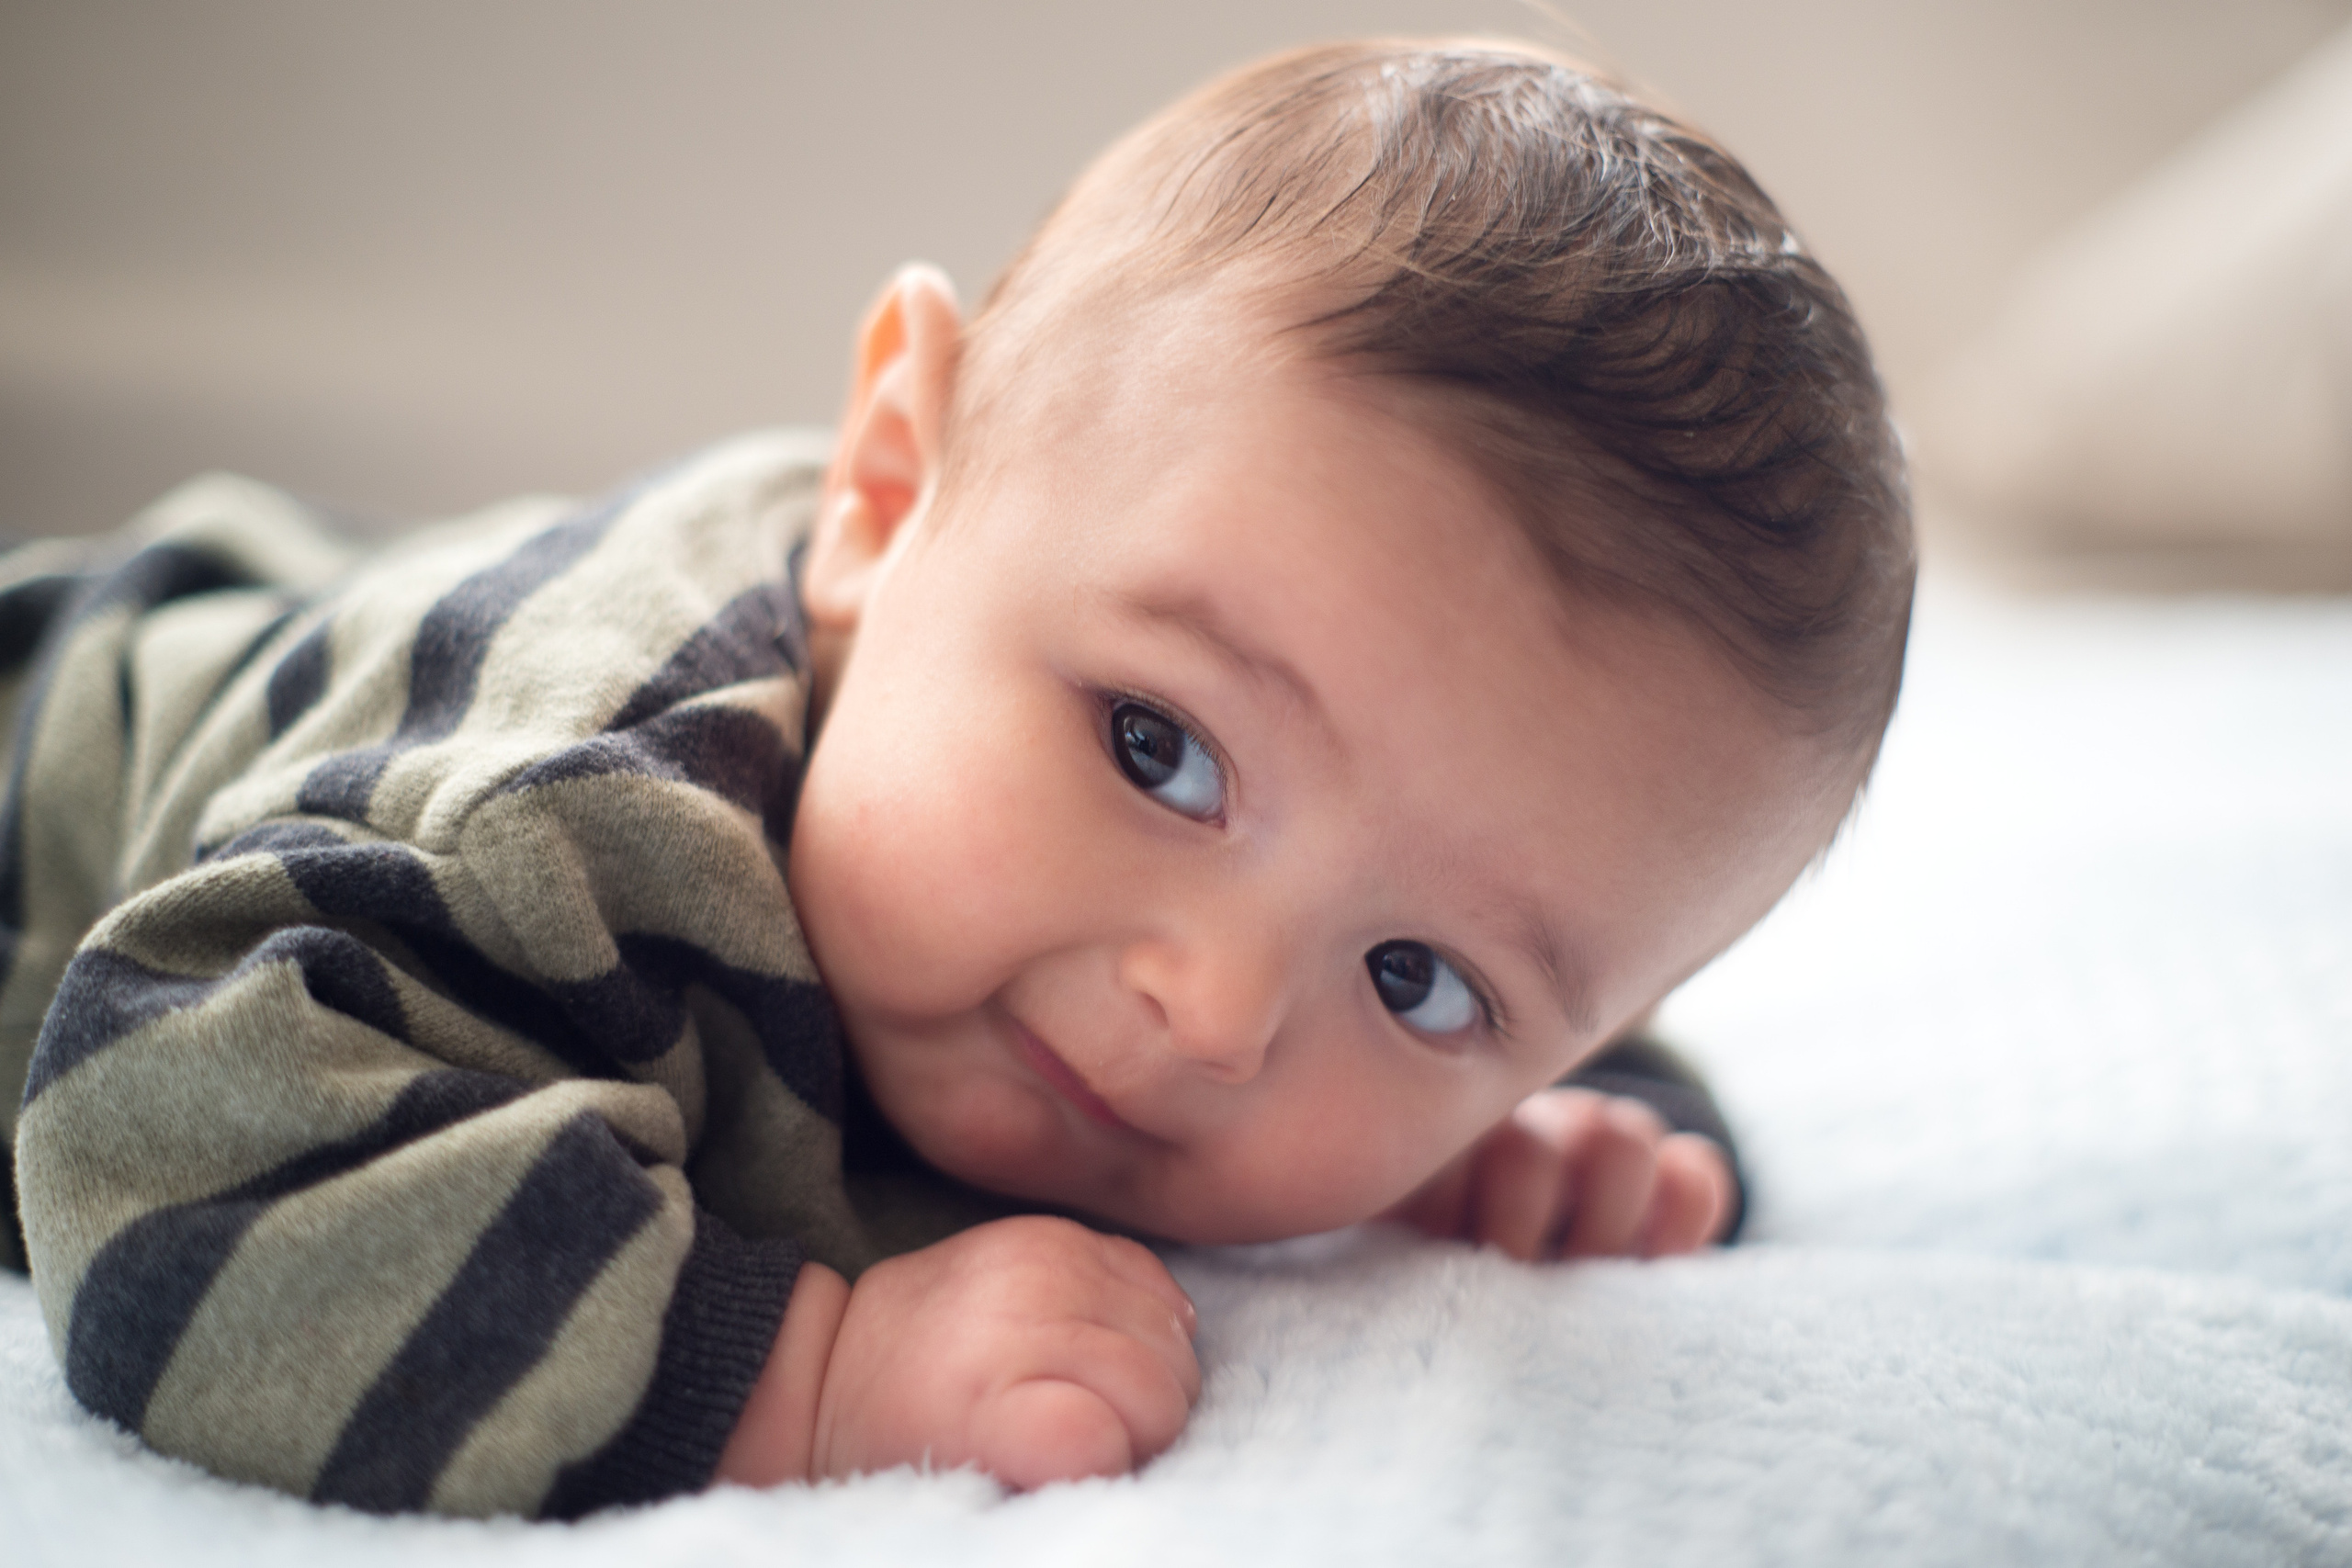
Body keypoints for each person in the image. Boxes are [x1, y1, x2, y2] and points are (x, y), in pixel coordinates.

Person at [0, 38, 1911, 1517]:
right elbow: (160, 1144)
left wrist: (1577, 1154)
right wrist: (807, 1376)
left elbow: (1572, 989)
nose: (1216, 1012)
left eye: (1416, 980)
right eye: (1158, 753)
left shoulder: (1312, 805)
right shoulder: (570, 823)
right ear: (887, 494)